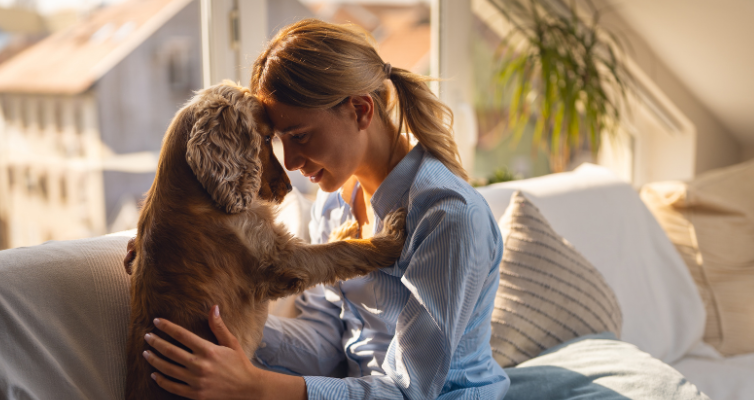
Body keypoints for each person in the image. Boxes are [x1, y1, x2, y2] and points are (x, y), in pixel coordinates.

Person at [138, 19, 509, 400]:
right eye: (279, 141)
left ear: (361, 110)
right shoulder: (334, 202)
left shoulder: (448, 216)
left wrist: (254, 386)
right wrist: (206, 311)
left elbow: (408, 391)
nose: (292, 163)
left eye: (299, 136)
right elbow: (326, 342)